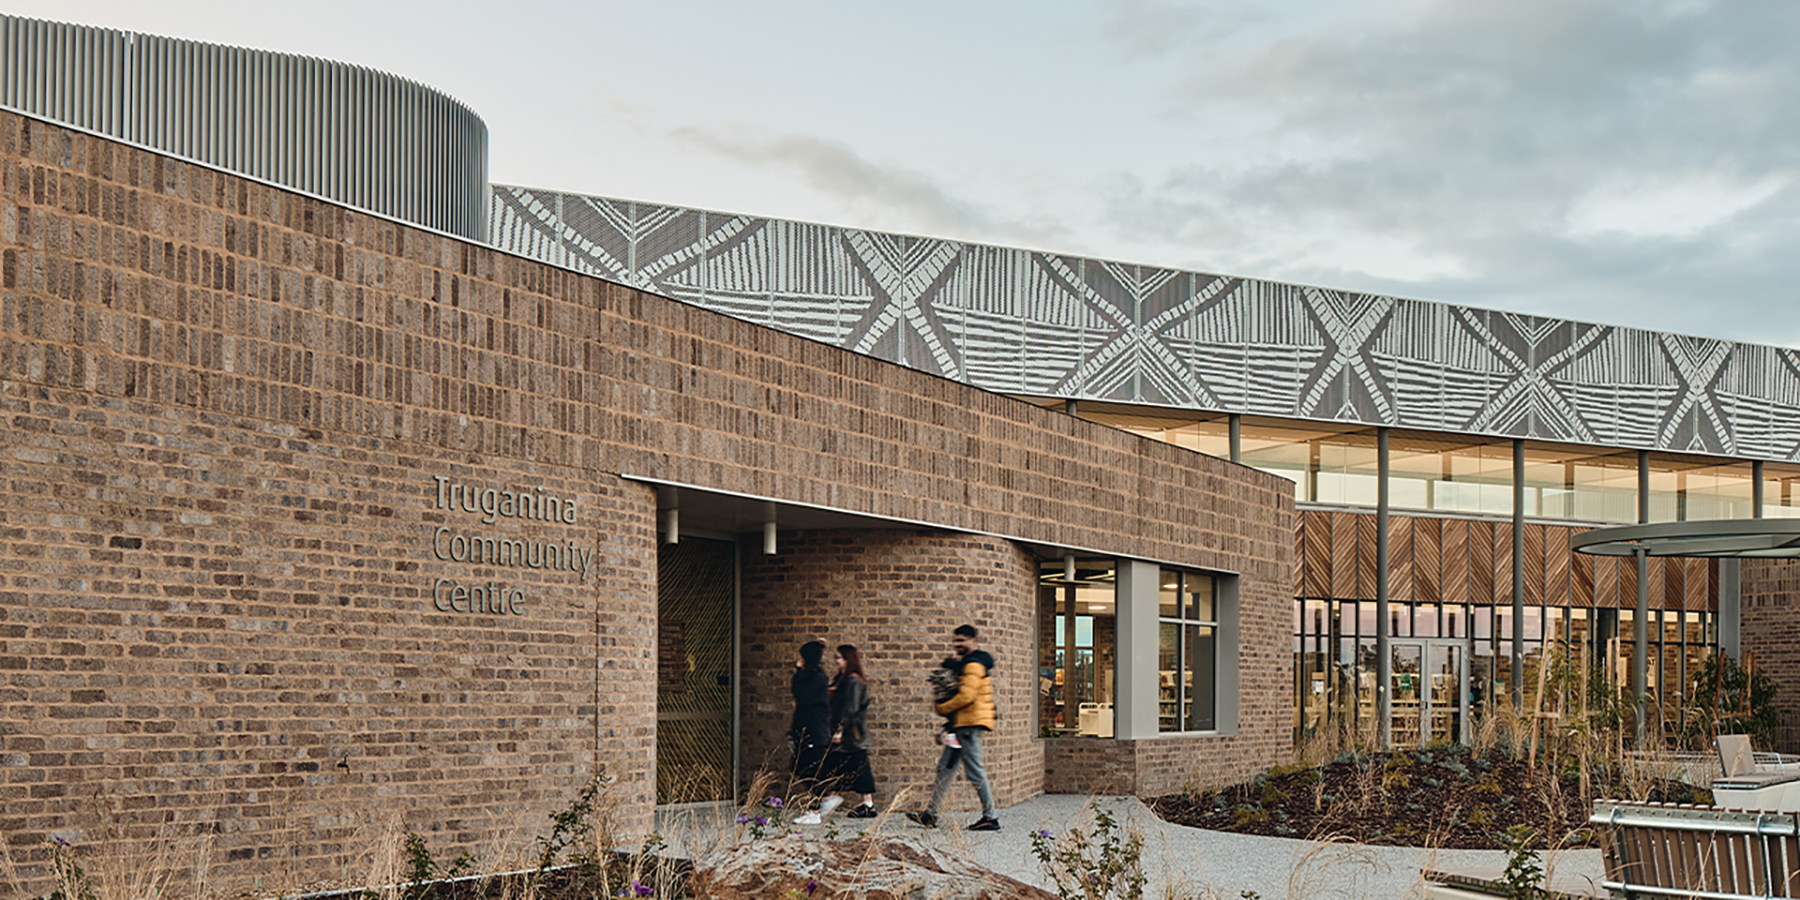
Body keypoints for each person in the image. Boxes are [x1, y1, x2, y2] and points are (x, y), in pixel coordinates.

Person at [907, 624, 999, 831]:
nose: (957, 644)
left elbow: (967, 696)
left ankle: (990, 817)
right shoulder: (967, 663)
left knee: (975, 770)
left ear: (973, 640)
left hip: (969, 725)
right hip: (960, 725)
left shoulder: (974, 664)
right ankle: (930, 814)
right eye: (956, 640)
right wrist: (948, 724)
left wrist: (942, 708)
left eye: (962, 640)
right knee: (945, 769)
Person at [822, 644, 877, 818]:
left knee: (835, 764)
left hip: (851, 734)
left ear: (847, 659)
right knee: (859, 766)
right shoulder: (844, 679)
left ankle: (831, 797)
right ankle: (867, 804)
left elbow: (850, 709)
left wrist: (840, 730)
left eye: (838, 657)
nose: (836, 661)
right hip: (852, 734)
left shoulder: (852, 681)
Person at [788, 640, 832, 809]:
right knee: (800, 767)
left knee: (811, 769)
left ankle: (822, 802)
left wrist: (798, 671)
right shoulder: (812, 677)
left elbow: (800, 694)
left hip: (814, 731)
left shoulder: (817, 679)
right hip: (807, 730)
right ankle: (823, 800)